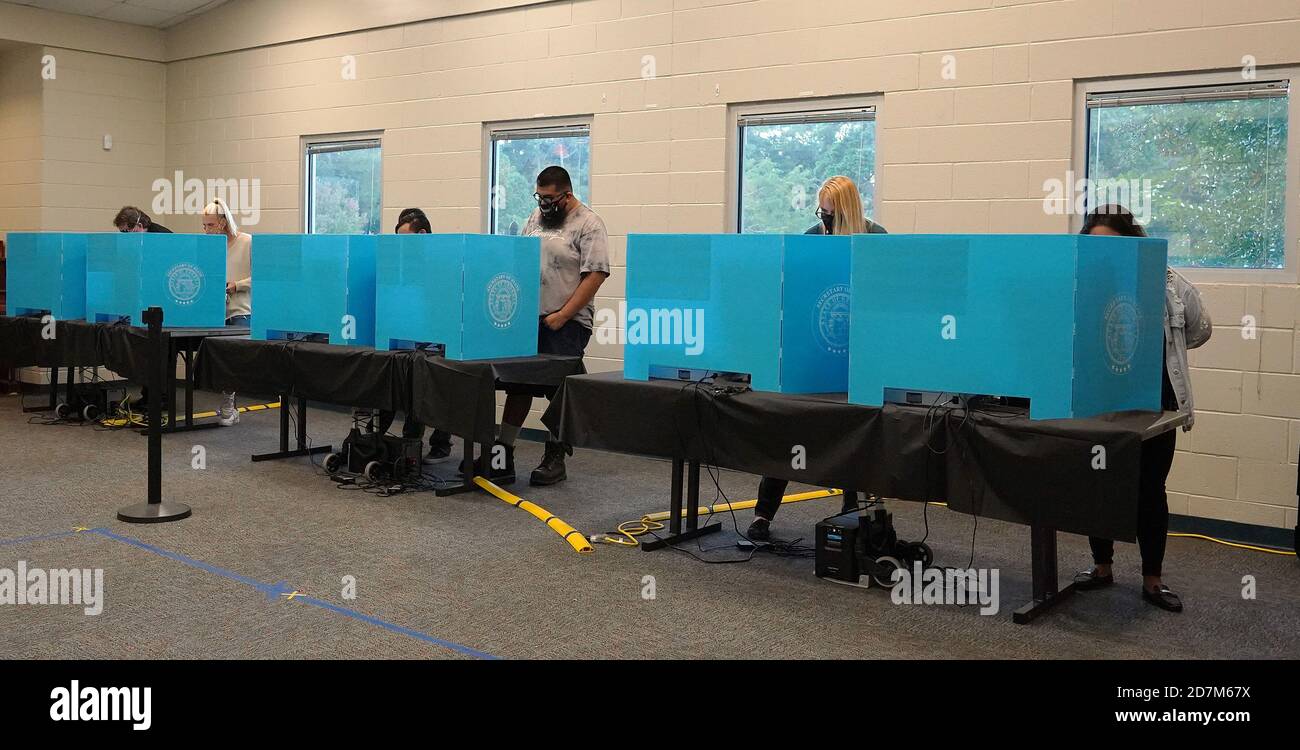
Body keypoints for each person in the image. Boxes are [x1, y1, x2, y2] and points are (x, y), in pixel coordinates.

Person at [1072, 205, 1211, 613]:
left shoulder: (1164, 282)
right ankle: (1102, 568)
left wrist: (1168, 348)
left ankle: (1153, 580)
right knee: (1098, 486)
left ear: (1133, 243)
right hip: (1099, 401)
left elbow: (1201, 328)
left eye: (1112, 245)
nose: (1104, 253)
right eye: (1094, 244)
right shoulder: (1084, 283)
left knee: (1151, 491)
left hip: (1155, 402)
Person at [749, 175, 885, 541]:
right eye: (820, 212)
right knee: (788, 430)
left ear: (845, 211)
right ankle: (763, 514)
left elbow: (884, 302)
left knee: (854, 435)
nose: (822, 219)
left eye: (829, 213)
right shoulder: (811, 239)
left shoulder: (875, 239)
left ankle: (854, 514)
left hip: (856, 356)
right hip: (813, 350)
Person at [490, 166, 609, 486]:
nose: (544, 203)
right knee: (518, 384)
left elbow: (595, 274)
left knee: (559, 391)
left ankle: (555, 456)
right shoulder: (534, 219)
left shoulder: (589, 223)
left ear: (566, 195)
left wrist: (564, 315)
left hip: (568, 322)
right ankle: (503, 452)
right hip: (530, 319)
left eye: (549, 198)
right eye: (539, 197)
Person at [370, 208, 454, 461]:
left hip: (439, 337)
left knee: (432, 386)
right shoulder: (401, 263)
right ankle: (375, 439)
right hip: (408, 332)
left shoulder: (444, 261)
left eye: (405, 239)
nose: (401, 246)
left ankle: (434, 444)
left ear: (423, 234)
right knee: (392, 379)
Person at [202, 198, 253, 426]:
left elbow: (262, 276)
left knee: (233, 360)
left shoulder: (247, 242)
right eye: (204, 225)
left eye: (210, 225)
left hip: (240, 309)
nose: (206, 230)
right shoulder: (210, 246)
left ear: (223, 222)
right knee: (219, 360)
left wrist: (237, 285)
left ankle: (228, 406)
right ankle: (228, 405)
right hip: (215, 311)